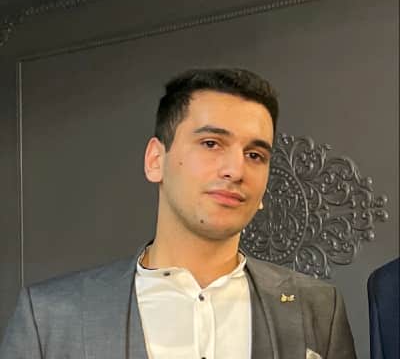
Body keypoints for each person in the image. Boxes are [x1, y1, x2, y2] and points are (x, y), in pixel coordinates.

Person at [0, 68, 357, 358]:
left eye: (255, 155)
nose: (236, 170)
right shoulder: (49, 317)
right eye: (211, 143)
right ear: (156, 160)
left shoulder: (318, 309)